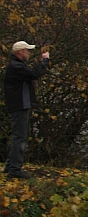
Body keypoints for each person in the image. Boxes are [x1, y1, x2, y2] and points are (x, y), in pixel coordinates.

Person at [4, 41, 50, 179]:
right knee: (20, 137)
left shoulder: (16, 66)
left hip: (20, 105)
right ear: (20, 52)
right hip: (19, 106)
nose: (29, 53)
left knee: (19, 136)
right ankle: (15, 169)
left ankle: (10, 166)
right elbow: (34, 74)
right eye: (27, 51)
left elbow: (31, 73)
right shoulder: (16, 67)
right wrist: (45, 61)